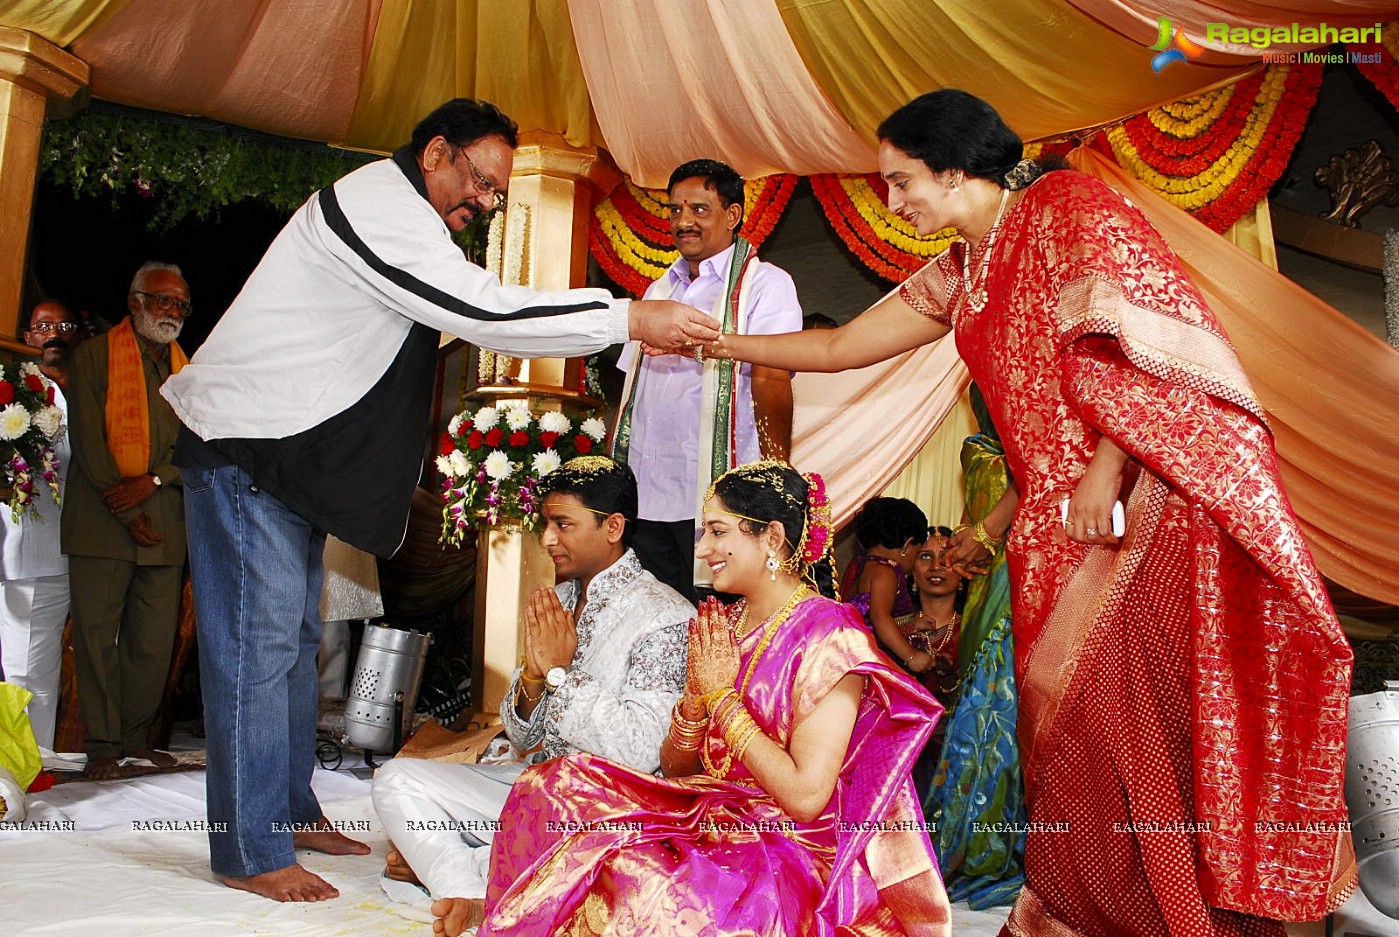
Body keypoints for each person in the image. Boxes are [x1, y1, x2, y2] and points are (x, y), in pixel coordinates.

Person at [700, 90, 1354, 935]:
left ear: (955, 165)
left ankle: (1184, 918)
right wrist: (721, 343)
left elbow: (1142, 337)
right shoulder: (966, 264)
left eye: (903, 181)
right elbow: (837, 346)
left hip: (1125, 513)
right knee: (1067, 739)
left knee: (1135, 727)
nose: (895, 203)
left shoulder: (1066, 206)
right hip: (1047, 523)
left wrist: (1106, 464)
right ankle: (1091, 911)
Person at [157, 98, 719, 904]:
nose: (485, 203)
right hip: (249, 446)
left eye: (496, 193)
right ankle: (248, 848)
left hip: (290, 455)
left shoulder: (405, 218)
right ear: (435, 153)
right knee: (257, 647)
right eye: (482, 183)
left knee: (290, 640)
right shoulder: (376, 205)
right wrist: (627, 314)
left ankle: (284, 805)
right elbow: (477, 308)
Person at [475, 461, 951, 937]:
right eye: (704, 533)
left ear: (772, 538)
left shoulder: (830, 634)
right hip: (705, 812)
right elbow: (679, 770)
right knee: (555, 784)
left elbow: (806, 799)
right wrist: (694, 709)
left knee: (645, 882)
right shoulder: (722, 625)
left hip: (788, 845)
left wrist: (722, 700)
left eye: (718, 532)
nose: (702, 550)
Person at [373, 455, 691, 934]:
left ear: (613, 526)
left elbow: (640, 750)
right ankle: (471, 890)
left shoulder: (663, 616)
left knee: (436, 833)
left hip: (604, 807)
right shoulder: (560, 599)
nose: (547, 540)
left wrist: (561, 674)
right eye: (546, 523)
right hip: (533, 785)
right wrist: (535, 682)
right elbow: (523, 734)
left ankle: (463, 872)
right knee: (396, 780)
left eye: (563, 524)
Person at [613, 159, 802, 603]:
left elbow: (773, 377)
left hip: (720, 501)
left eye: (699, 209)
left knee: (717, 629)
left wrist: (775, 478)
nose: (684, 222)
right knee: (654, 623)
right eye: (676, 210)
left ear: (732, 215)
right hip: (650, 495)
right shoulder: (658, 292)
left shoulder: (765, 285)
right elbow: (629, 396)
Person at [63, 264, 190, 780]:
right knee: (96, 637)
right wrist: (129, 507)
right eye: (164, 301)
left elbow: (202, 442)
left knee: (153, 643)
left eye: (181, 304)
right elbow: (90, 442)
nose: (173, 312)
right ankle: (101, 745)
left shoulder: (189, 370)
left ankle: (136, 739)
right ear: (135, 301)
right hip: (103, 520)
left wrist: (156, 481)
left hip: (164, 521)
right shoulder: (93, 357)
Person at [928, 385, 1026, 910]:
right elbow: (978, 529)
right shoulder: (984, 453)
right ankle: (989, 847)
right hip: (998, 598)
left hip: (1023, 588)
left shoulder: (1018, 457)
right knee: (995, 714)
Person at [0, 300, 82, 750]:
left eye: (64, 325)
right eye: (43, 326)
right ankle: (24, 770)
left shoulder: (87, 389)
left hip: (79, 549)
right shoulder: (14, 391)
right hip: (31, 553)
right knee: (26, 674)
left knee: (44, 673)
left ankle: (36, 763)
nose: (54, 333)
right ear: (28, 336)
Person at [840, 496, 928, 676]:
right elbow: (880, 618)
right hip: (883, 661)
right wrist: (911, 657)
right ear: (907, 544)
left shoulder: (861, 566)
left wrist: (911, 625)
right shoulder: (886, 572)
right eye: (918, 553)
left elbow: (871, 622)